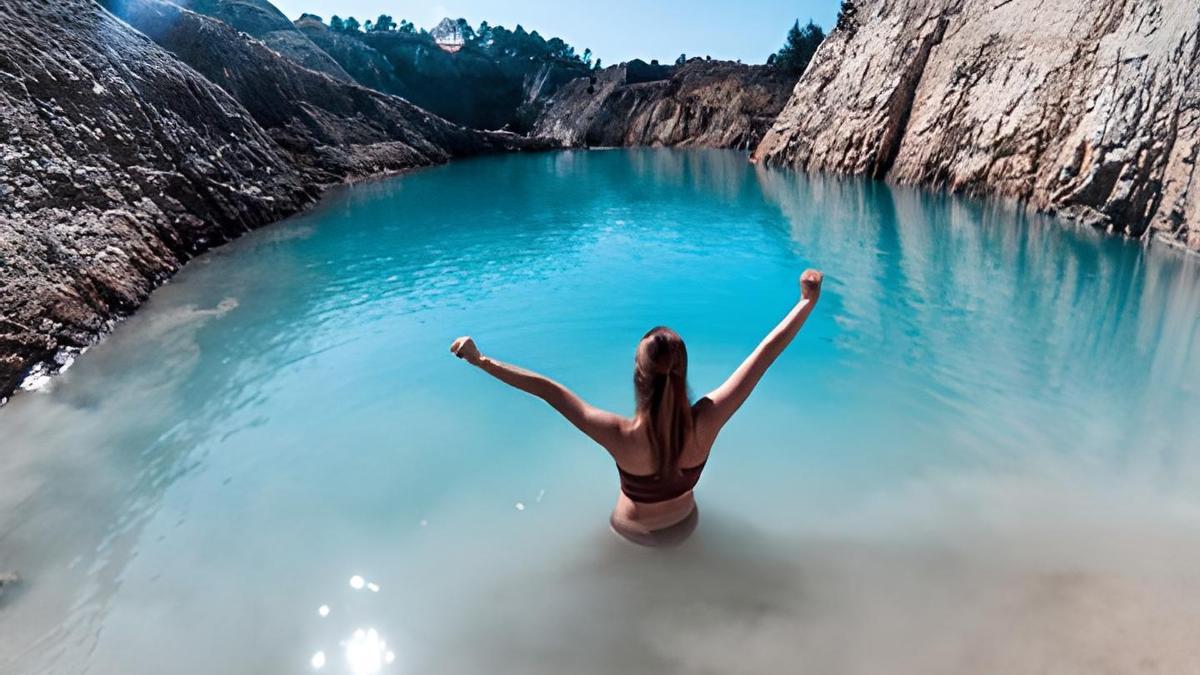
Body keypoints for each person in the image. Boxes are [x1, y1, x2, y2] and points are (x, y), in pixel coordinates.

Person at [450, 269, 824, 546]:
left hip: (633, 539)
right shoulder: (707, 421)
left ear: (639, 377)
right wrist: (807, 302)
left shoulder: (619, 435)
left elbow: (548, 391)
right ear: (682, 373)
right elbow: (765, 354)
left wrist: (481, 360)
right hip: (687, 528)